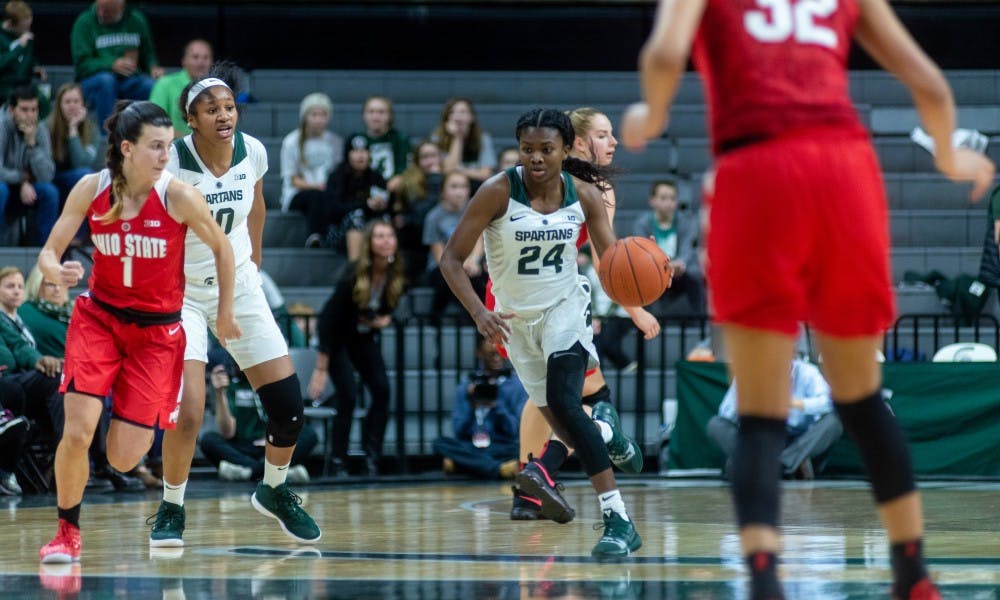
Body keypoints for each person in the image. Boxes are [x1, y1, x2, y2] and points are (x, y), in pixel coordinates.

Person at [620, 0, 995, 597]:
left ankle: (766, 579)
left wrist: (650, 110)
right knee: (863, 400)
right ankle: (912, 572)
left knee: (762, 416)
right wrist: (950, 154)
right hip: (844, 170)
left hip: (758, 168)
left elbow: (665, 52)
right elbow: (926, 77)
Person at [36, 99, 238, 564]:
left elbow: (224, 249)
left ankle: (129, 427)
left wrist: (224, 312)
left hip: (157, 334)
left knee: (125, 457)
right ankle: (67, 532)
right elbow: (48, 251)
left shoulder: (179, 195)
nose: (166, 156)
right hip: (99, 319)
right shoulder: (91, 188)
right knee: (78, 429)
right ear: (127, 149)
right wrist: (56, 272)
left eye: (169, 145)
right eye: (156, 146)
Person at [440, 107, 642, 559]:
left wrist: (640, 286)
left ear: (566, 150)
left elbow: (612, 268)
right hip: (514, 323)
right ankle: (609, 437)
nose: (535, 158)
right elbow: (451, 259)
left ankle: (618, 520)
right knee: (567, 421)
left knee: (566, 402)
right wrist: (479, 312)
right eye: (527, 149)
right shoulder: (497, 191)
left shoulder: (585, 196)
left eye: (546, 149)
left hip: (565, 311)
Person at [149, 65, 321, 548]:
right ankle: (171, 506)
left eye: (228, 106)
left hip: (239, 282)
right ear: (191, 120)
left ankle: (273, 489)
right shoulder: (173, 162)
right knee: (191, 409)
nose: (224, 115)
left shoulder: (255, 151)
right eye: (212, 109)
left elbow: (258, 207)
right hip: (182, 292)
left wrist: (255, 265)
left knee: (288, 406)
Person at [509, 107, 660, 521]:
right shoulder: (593, 187)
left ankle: (530, 490)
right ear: (577, 143)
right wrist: (636, 309)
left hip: (512, 292)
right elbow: (605, 259)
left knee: (545, 398)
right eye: (603, 134)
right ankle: (550, 471)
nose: (612, 143)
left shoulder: (539, 177)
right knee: (588, 399)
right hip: (541, 297)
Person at [308, 220, 406, 477]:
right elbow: (329, 318)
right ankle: (338, 460)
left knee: (382, 389)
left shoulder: (395, 273)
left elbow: (392, 307)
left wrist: (387, 318)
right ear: (369, 243)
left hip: (362, 338)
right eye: (379, 236)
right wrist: (321, 366)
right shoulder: (354, 273)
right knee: (348, 395)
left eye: (390, 236)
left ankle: (371, 456)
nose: (386, 241)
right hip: (337, 338)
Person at [707, 359, 843, 480]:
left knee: (834, 421)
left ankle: (781, 464)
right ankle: (758, 462)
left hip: (798, 442)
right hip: (759, 441)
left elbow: (829, 403)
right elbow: (725, 413)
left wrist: (793, 403)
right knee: (716, 425)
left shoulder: (807, 372)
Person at [199, 351, 317, 484]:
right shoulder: (229, 383)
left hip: (272, 444)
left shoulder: (273, 380)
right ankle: (275, 472)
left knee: (309, 434)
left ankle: (248, 471)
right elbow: (228, 433)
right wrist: (220, 394)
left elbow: (287, 422)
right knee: (208, 440)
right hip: (241, 446)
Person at [432, 335, 526, 480]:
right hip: (472, 444)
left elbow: (513, 431)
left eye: (500, 353)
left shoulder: (515, 384)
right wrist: (471, 405)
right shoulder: (467, 384)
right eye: (491, 354)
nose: (496, 358)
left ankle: (462, 464)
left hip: (502, 445)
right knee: (439, 443)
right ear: (479, 352)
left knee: (522, 449)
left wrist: (496, 406)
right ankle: (499, 468)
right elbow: (458, 430)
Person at [70, 0, 164, 130]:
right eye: (100, 8)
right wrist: (110, 64)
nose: (101, 13)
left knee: (153, 86)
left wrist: (153, 67)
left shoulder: (136, 20)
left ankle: (152, 134)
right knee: (106, 81)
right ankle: (108, 136)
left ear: (122, 6)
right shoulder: (84, 23)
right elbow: (81, 65)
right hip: (94, 82)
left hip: (129, 80)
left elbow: (148, 54)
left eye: (107, 10)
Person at [279, 93, 343, 247]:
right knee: (316, 196)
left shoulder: (334, 141)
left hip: (326, 192)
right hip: (298, 194)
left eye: (323, 115)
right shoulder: (291, 141)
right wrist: (316, 186)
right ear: (305, 116)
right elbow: (293, 179)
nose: (319, 119)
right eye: (314, 114)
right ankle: (315, 237)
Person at [632, 179, 705, 316]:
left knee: (695, 275)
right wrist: (664, 267)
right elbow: (643, 253)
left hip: (680, 272)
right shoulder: (642, 224)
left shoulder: (686, 222)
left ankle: (700, 322)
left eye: (672, 198)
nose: (668, 202)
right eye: (663, 198)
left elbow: (687, 250)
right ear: (652, 200)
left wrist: (679, 264)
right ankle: (648, 327)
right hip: (653, 274)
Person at [422, 171, 487, 318]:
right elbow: (439, 255)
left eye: (464, 187)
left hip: (469, 263)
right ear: (443, 191)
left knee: (480, 276)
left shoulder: (474, 210)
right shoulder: (434, 217)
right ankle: (435, 322)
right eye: (454, 187)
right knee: (448, 278)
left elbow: (479, 240)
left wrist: (474, 260)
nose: (459, 192)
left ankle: (484, 328)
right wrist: (459, 265)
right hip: (442, 265)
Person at [0, 84, 58, 245]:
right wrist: (22, 180)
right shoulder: (2, 126)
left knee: (49, 192)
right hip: (6, 185)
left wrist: (32, 145)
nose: (30, 115)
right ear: (12, 110)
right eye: (24, 109)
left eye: (34, 109)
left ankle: (45, 253)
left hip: (28, 188)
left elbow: (47, 175)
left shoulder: (40, 130)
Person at [325, 133, 389, 260]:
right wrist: (366, 205)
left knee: (385, 220)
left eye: (364, 151)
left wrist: (382, 205)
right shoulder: (336, 177)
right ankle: (356, 270)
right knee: (356, 216)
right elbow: (333, 211)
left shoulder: (376, 177)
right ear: (347, 154)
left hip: (370, 228)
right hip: (338, 232)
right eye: (355, 151)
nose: (360, 155)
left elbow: (387, 205)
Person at [391, 139, 442, 284]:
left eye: (434, 156)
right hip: (415, 239)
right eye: (425, 157)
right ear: (417, 161)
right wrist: (435, 179)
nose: (431, 161)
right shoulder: (409, 182)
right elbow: (423, 215)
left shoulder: (449, 178)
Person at [148, 39, 213, 138]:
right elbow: (153, 121)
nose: (201, 62)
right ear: (184, 61)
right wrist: (186, 141)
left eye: (206, 58)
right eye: (195, 57)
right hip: (172, 146)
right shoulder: (164, 83)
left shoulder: (217, 88)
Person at [48, 83, 98, 207]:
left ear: (82, 104)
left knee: (86, 176)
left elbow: (81, 164)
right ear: (59, 105)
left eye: (76, 101)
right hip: (52, 179)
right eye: (67, 102)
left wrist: (73, 130)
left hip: (78, 179)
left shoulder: (92, 130)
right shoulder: (47, 127)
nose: (72, 106)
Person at [429, 97, 497, 188]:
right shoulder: (437, 138)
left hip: (475, 186)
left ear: (472, 117)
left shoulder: (483, 138)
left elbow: (485, 174)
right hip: (447, 187)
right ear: (447, 118)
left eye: (463, 112)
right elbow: (448, 170)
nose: (457, 117)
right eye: (452, 112)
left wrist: (459, 170)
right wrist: (457, 137)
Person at [0, 1, 47, 120]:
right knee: (17, 100)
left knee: (42, 99)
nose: (27, 29)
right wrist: (19, 47)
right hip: (4, 86)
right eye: (24, 26)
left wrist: (35, 69)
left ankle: (38, 133)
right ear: (11, 24)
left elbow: (28, 60)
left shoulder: (27, 37)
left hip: (24, 85)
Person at [353, 95, 410, 193]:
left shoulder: (400, 139)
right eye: (371, 112)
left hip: (394, 191)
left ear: (390, 115)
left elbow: (406, 168)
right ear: (364, 115)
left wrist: (398, 179)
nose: (375, 117)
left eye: (381, 112)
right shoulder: (356, 140)